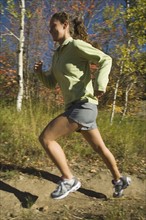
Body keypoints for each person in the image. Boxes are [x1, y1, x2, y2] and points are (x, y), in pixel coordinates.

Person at [34, 12, 131, 200]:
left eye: (52, 25)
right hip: (74, 107)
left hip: (84, 106)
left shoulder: (76, 46)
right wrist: (39, 73)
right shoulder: (57, 55)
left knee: (47, 138)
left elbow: (106, 59)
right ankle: (119, 180)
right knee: (100, 149)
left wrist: (100, 84)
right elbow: (50, 83)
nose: (49, 30)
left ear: (64, 24)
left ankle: (69, 179)